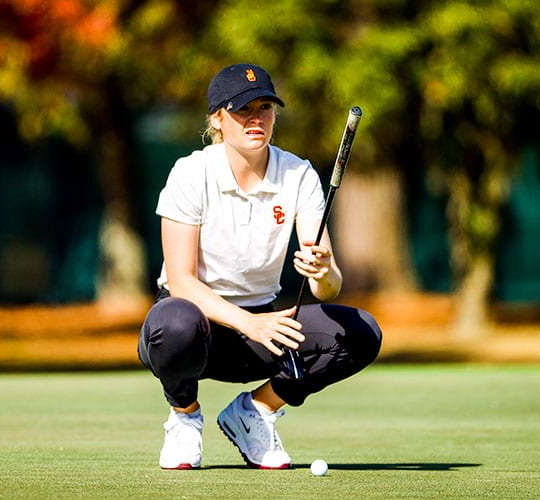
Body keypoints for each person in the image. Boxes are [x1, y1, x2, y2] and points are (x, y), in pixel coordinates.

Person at [138, 63, 382, 470]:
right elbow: (180, 280)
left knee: (361, 333)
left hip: (261, 329)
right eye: (242, 109)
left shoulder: (298, 173)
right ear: (217, 118)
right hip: (196, 324)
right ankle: (184, 416)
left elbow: (329, 288)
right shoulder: (190, 172)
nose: (256, 118)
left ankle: (254, 412)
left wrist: (321, 270)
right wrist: (246, 323)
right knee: (174, 324)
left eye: (265, 107)